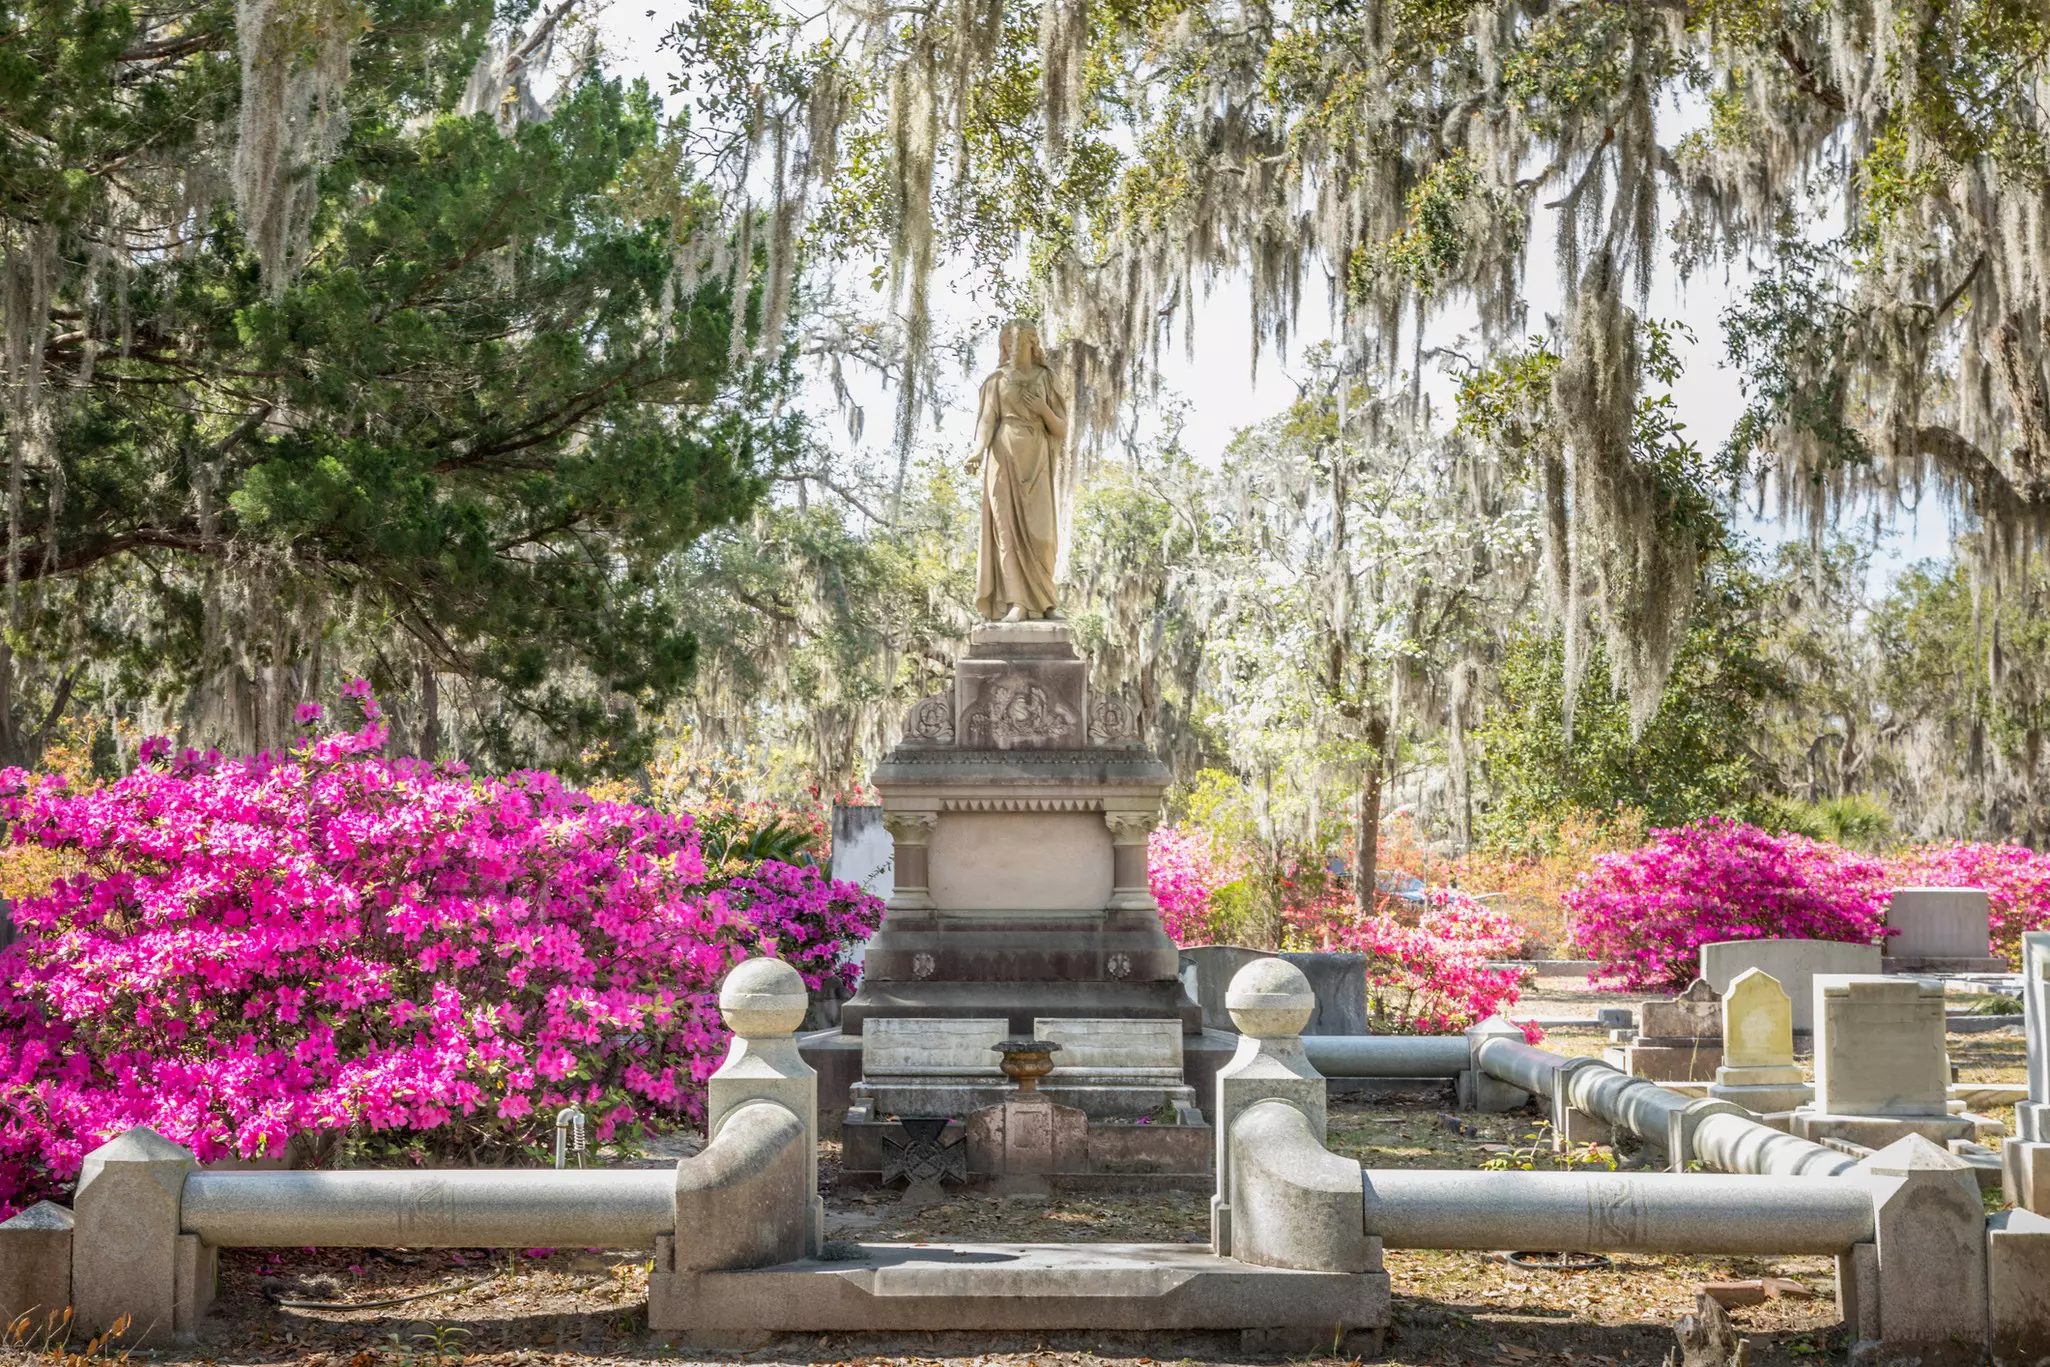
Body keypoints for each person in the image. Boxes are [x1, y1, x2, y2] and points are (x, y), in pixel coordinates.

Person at [965, 321, 1067, 621]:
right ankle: (1017, 602)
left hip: (1036, 456)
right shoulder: (995, 381)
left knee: (1042, 535)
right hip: (1003, 455)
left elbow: (1061, 428)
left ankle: (1046, 602)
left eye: (1017, 341)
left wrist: (1043, 410)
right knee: (1006, 533)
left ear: (1032, 343)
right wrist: (976, 451)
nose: (1010, 347)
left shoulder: (1047, 378)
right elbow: (986, 420)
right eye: (1006, 342)